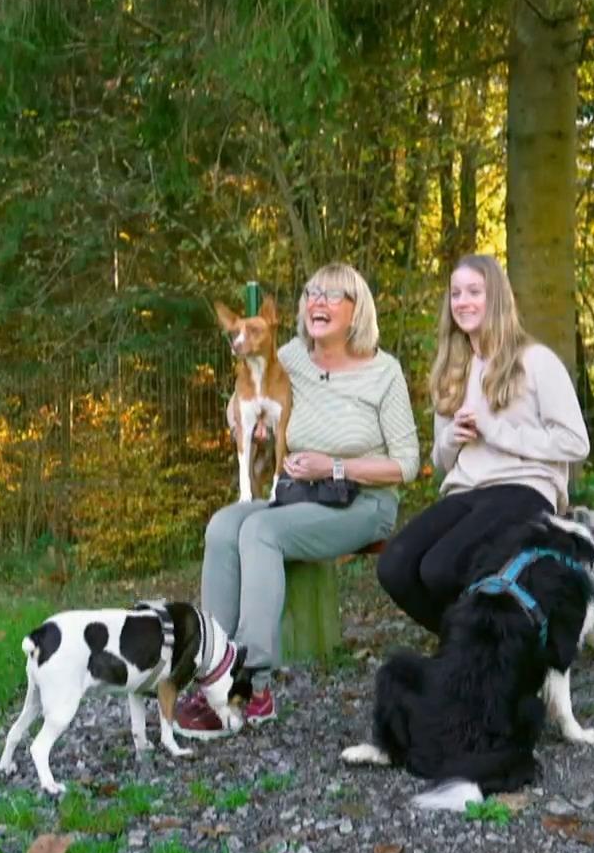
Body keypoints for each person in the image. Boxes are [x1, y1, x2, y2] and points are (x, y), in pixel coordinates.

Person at [176, 263, 420, 736]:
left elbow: (406, 464)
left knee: (261, 532)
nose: (317, 302)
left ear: (357, 311)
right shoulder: (290, 356)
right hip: (296, 494)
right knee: (224, 525)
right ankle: (213, 673)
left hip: (362, 502)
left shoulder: (383, 372)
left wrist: (335, 467)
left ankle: (251, 687)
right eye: (311, 294)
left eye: (331, 295)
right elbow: (244, 396)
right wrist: (237, 415)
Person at [375, 253, 589, 635]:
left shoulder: (536, 360)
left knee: (440, 568)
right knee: (394, 567)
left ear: (497, 297)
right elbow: (442, 462)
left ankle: (483, 647)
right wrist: (451, 438)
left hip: (524, 487)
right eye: (456, 293)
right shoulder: (452, 369)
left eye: (474, 291)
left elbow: (576, 442)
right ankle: (467, 646)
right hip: (467, 490)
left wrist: (497, 431)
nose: (463, 301)